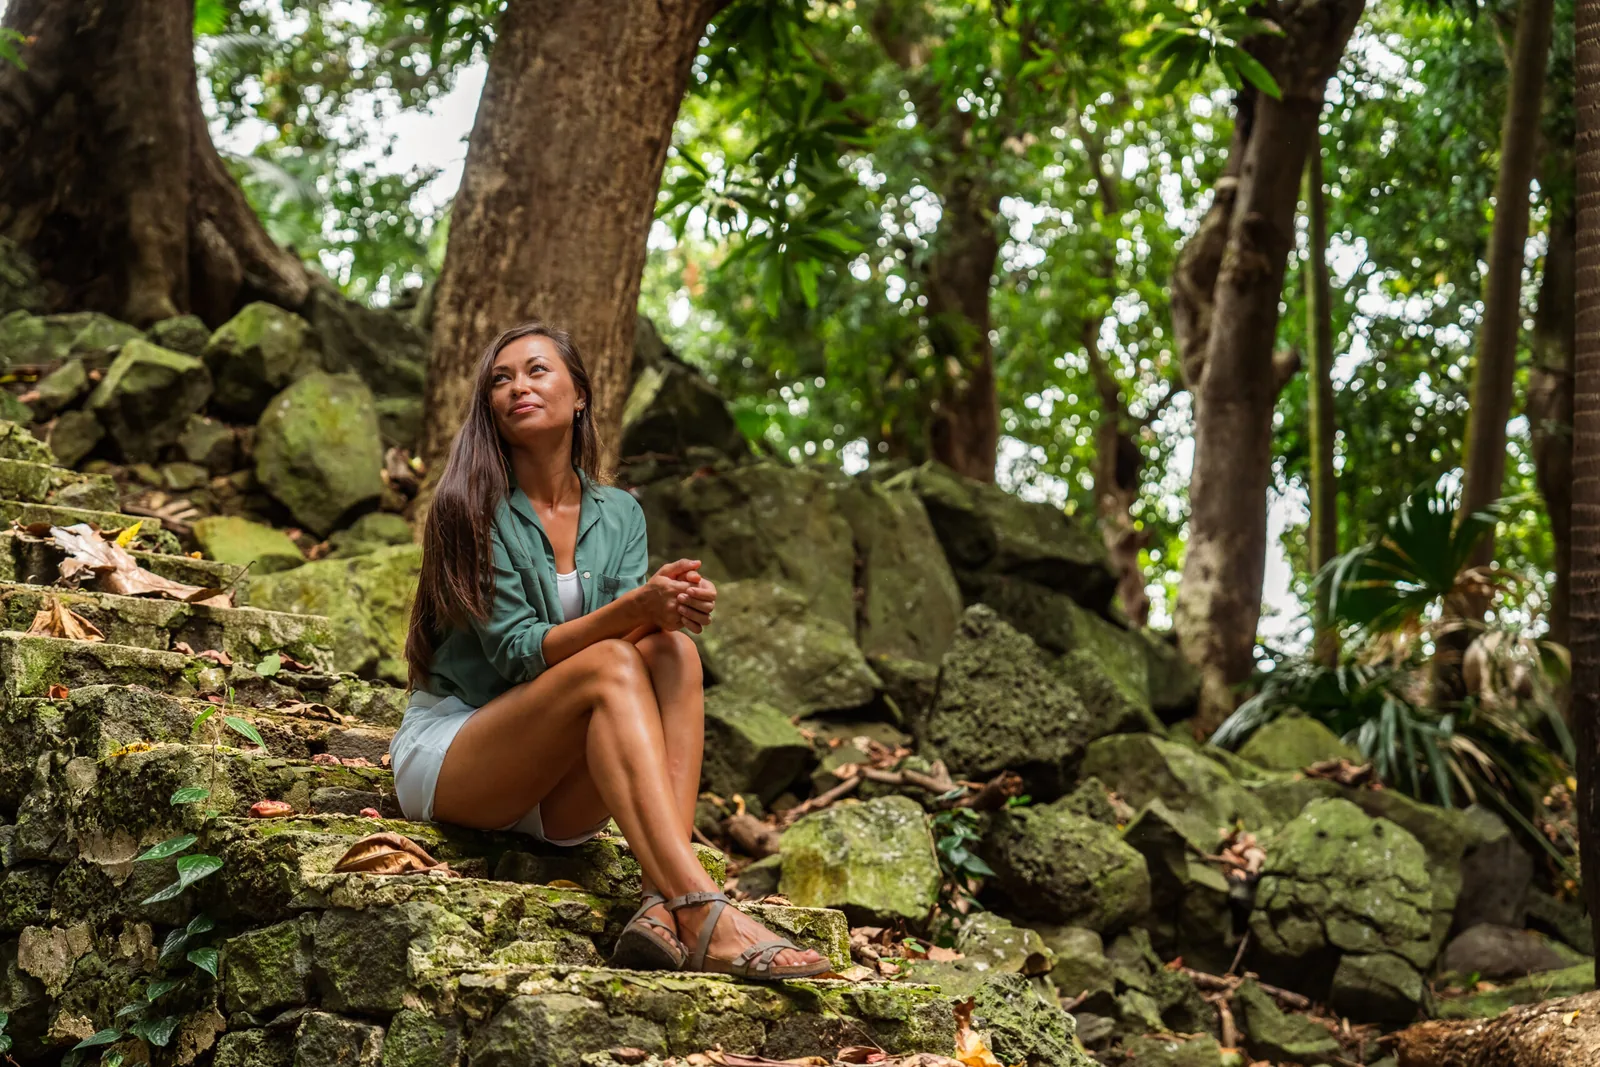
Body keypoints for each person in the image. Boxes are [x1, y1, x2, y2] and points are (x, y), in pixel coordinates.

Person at [393, 322, 827, 980]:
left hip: (555, 784)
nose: (517, 387)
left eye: (536, 371)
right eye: (500, 380)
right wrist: (635, 608)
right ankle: (702, 906)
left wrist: (666, 609)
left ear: (581, 396)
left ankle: (660, 902)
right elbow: (518, 653)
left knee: (671, 652)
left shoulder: (621, 512)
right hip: (458, 755)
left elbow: (636, 637)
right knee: (614, 661)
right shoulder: (468, 507)